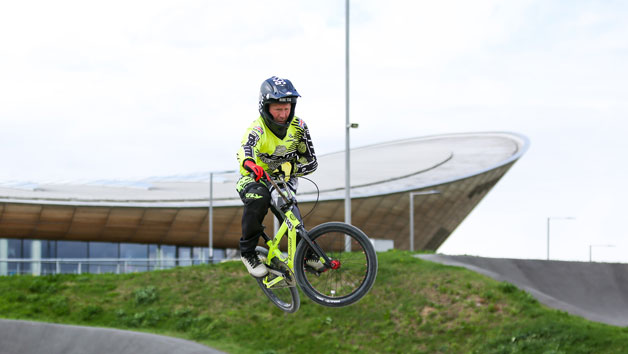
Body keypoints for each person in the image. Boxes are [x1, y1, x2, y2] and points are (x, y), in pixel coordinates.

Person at [235, 76, 318, 277]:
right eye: (277, 109)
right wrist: (251, 164)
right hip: (255, 178)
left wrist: (287, 170)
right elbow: (246, 150)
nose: (283, 114)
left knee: (292, 217)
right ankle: (248, 253)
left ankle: (305, 256)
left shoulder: (299, 127)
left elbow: (311, 161)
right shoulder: (258, 128)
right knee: (259, 198)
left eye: (287, 108)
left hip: (284, 180)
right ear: (265, 107)